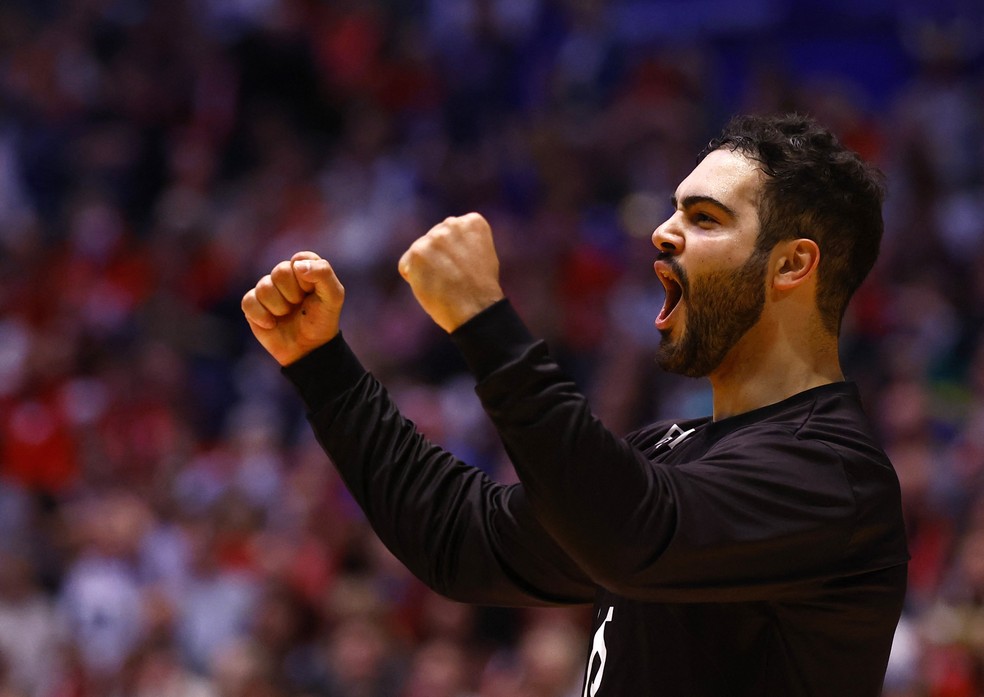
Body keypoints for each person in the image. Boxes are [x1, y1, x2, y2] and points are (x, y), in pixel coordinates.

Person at [241, 113, 909, 697]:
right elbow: (458, 539)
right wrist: (323, 365)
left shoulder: (832, 476)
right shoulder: (670, 454)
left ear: (792, 265)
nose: (662, 233)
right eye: (673, 209)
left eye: (704, 217)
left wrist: (485, 322)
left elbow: (629, 533)